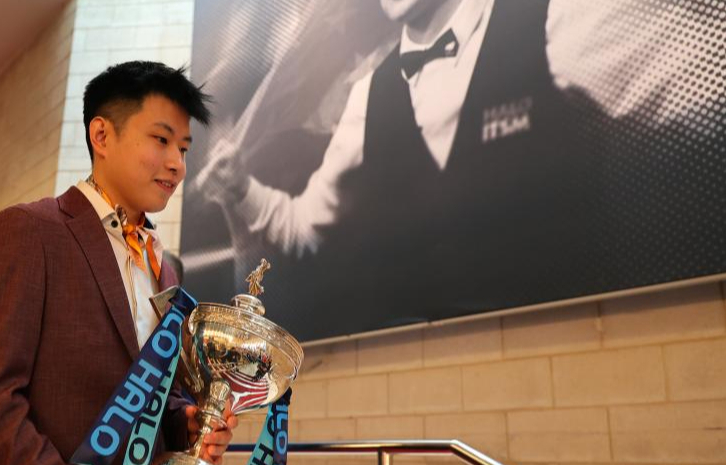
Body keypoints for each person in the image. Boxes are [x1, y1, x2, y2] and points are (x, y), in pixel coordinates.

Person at [0, 61, 237, 465]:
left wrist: (188, 422)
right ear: (101, 135)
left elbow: (159, 392)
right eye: (161, 140)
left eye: (185, 149)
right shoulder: (30, 232)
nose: (177, 165)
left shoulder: (165, 266)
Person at [208, 0, 606, 341]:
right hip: (416, 354)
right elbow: (305, 229)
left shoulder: (556, 18)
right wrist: (241, 189)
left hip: (559, 341)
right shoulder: (366, 95)